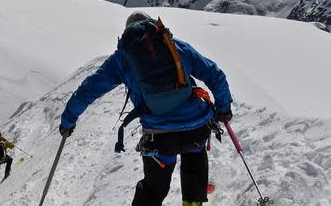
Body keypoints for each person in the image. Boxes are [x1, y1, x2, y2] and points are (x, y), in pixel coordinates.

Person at [58, 12, 233, 206]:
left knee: (153, 188)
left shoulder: (122, 58)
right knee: (195, 158)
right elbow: (214, 74)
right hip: (195, 128)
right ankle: (193, 202)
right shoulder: (175, 46)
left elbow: (89, 90)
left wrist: (68, 119)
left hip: (159, 137)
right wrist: (223, 108)